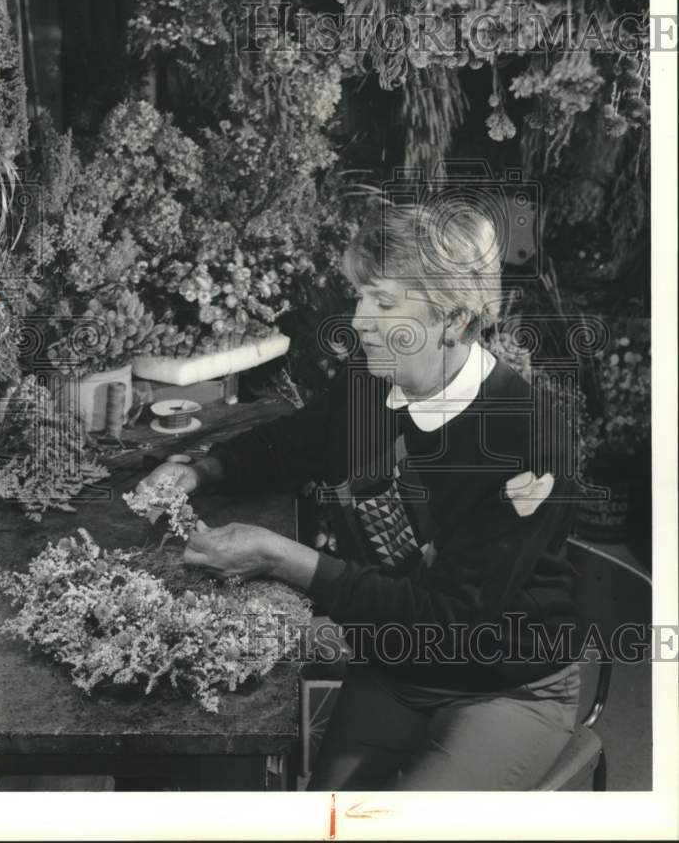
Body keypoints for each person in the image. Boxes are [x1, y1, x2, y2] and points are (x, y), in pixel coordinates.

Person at [140, 191, 582, 790]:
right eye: (359, 295)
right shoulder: (369, 385)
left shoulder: (531, 436)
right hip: (398, 663)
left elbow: (450, 619)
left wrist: (283, 557)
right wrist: (201, 468)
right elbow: (287, 444)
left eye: (383, 302)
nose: (357, 319)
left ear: (452, 318)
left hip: (505, 682)